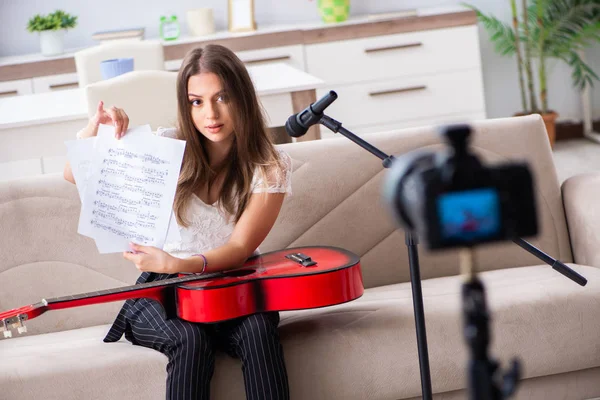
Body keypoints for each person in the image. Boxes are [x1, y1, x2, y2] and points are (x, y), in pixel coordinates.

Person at [63, 44, 292, 400]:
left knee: (260, 328)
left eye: (222, 97)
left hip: (234, 287)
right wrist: (95, 131)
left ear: (242, 98)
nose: (210, 113)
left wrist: (180, 262)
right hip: (161, 289)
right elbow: (74, 174)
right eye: (196, 101)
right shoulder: (167, 148)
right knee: (190, 339)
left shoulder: (269, 167)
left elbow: (239, 248)